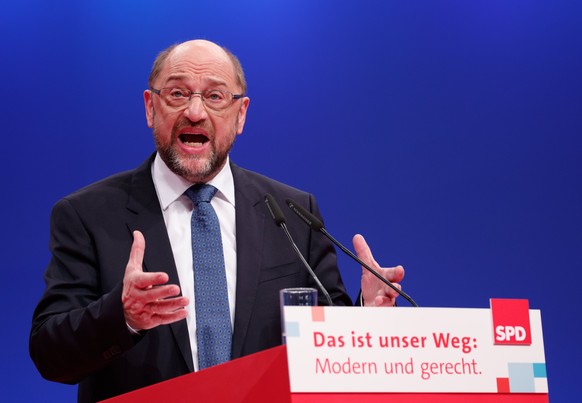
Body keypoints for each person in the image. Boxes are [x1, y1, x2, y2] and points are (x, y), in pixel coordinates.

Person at [29, 39, 406, 402]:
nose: (195, 112)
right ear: (150, 107)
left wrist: (364, 318)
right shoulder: (87, 214)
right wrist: (123, 316)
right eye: (177, 94)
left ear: (240, 114)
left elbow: (324, 346)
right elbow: (50, 355)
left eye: (214, 96)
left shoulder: (292, 213)